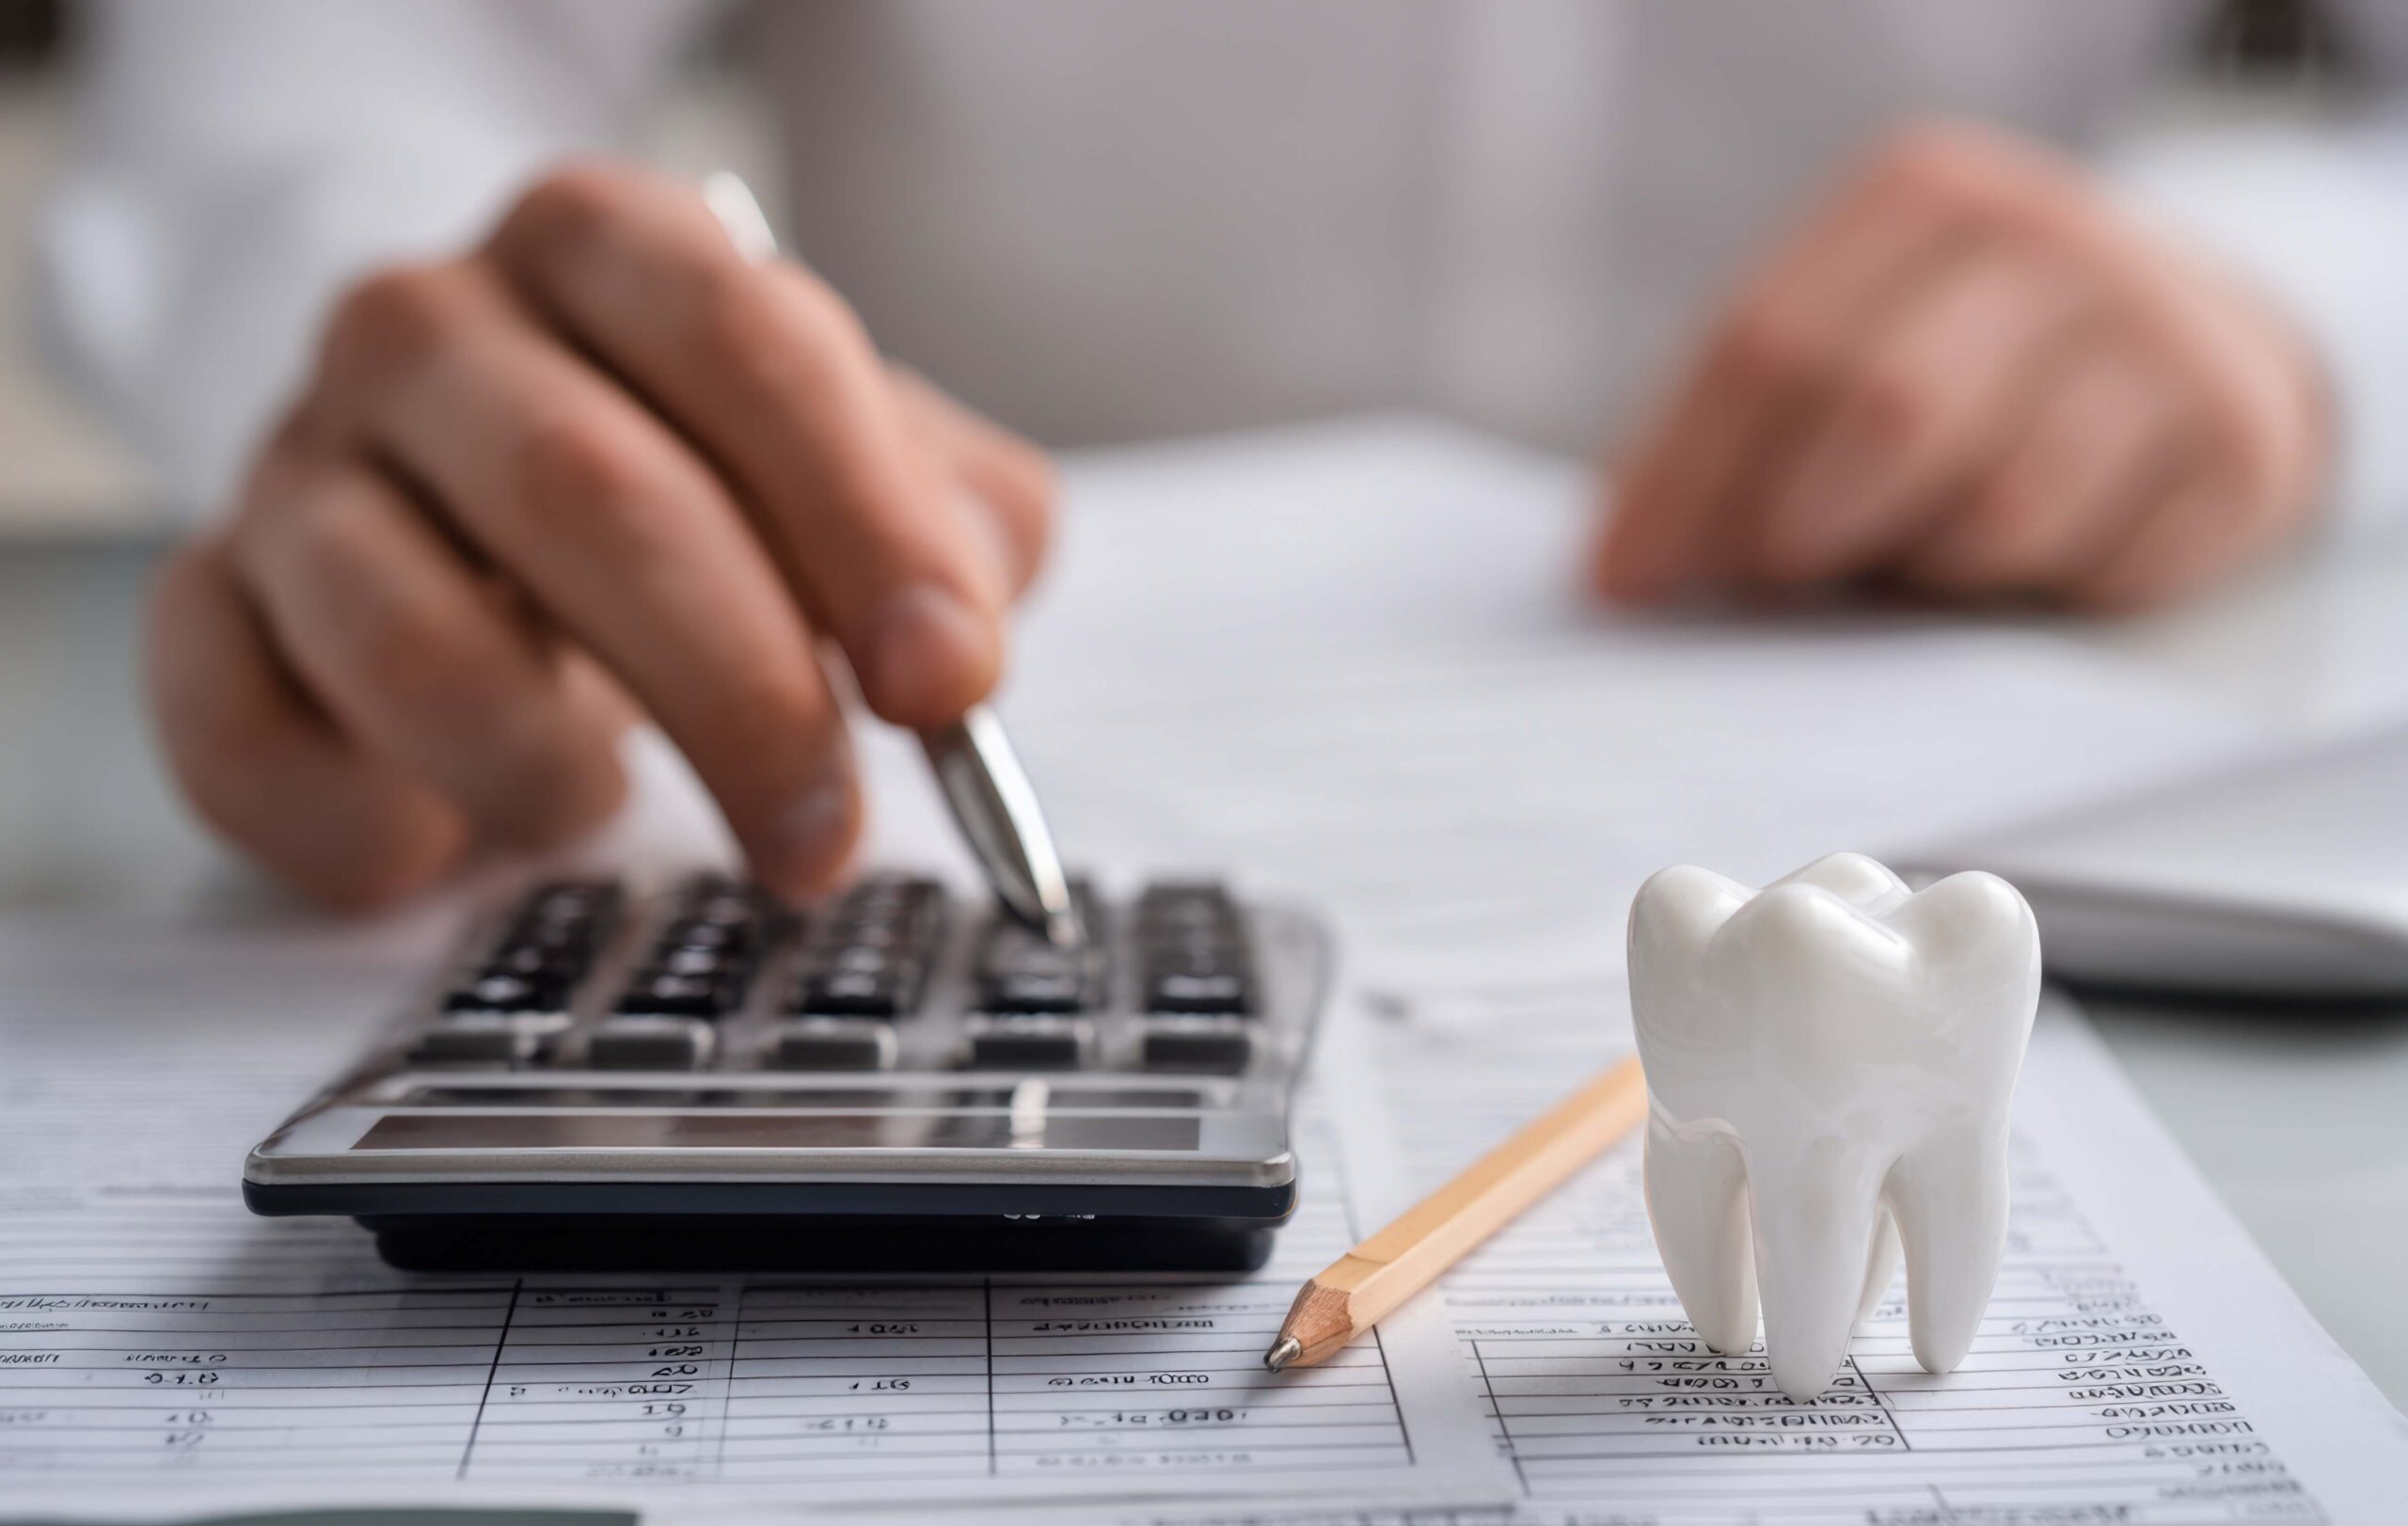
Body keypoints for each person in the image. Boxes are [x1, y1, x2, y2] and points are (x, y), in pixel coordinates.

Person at [38, 1, 2408, 910]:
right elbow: (321, 55)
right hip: (840, 674)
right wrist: (442, 342)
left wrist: (2294, 305)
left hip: (2045, 743)